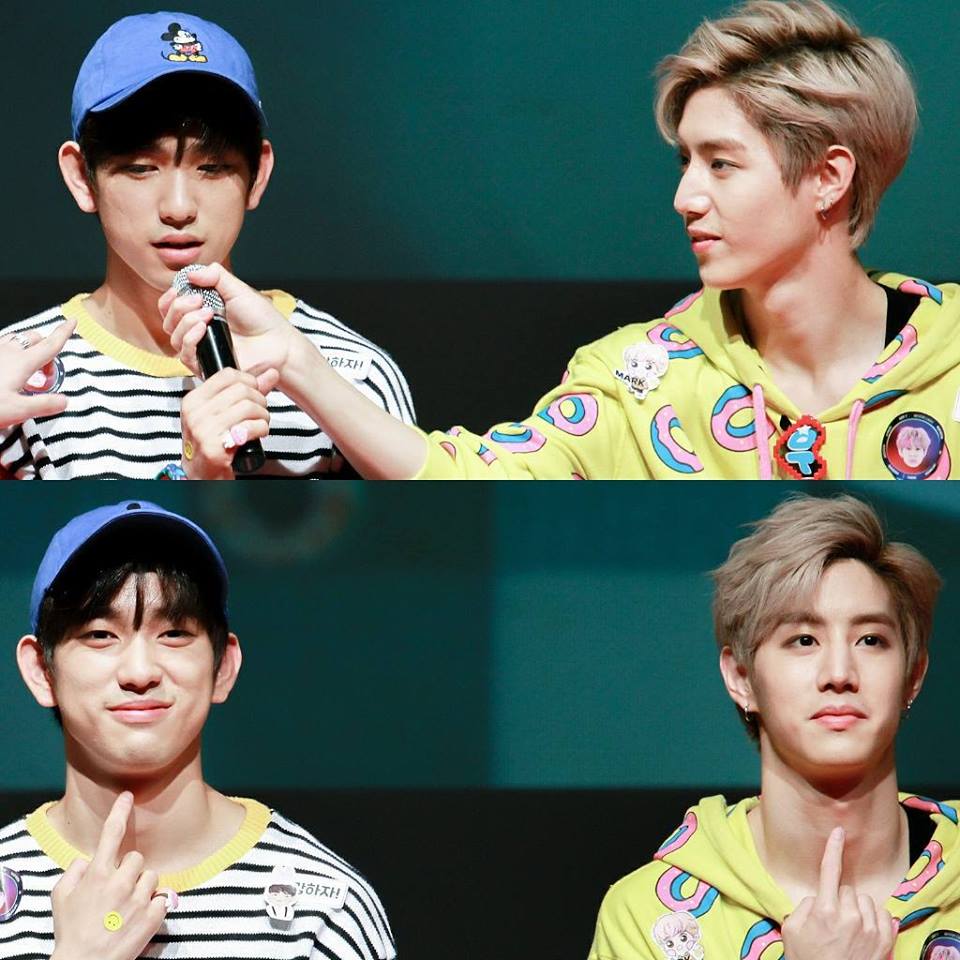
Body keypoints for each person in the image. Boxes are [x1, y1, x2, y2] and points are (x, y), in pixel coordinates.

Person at [164, 0, 960, 479]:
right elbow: (459, 476)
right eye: (685, 162)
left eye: (722, 164)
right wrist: (297, 361)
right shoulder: (637, 378)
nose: (685, 198)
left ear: (828, 177)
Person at [0, 12, 414, 479]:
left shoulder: (352, 376)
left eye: (212, 168)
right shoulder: (17, 383)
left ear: (258, 174)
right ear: (81, 176)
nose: (178, 207)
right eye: (140, 168)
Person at [0, 500, 395, 959]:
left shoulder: (324, 913)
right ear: (40, 671)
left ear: (223, 666)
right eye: (100, 635)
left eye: (174, 634)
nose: (140, 671)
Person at [589, 495, 956, 960]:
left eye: (870, 640)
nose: (839, 673)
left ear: (913, 675)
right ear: (741, 678)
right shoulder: (647, 920)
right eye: (803, 640)